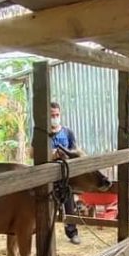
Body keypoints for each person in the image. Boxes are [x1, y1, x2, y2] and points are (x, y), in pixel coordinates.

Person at [48, 101, 81, 245]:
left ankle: (72, 232)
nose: (55, 118)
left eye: (57, 115)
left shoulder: (68, 132)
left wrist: (65, 154)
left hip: (65, 175)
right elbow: (32, 152)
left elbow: (75, 151)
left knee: (69, 204)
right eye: (52, 115)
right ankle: (47, 234)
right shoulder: (43, 133)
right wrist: (52, 154)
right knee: (47, 205)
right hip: (48, 176)